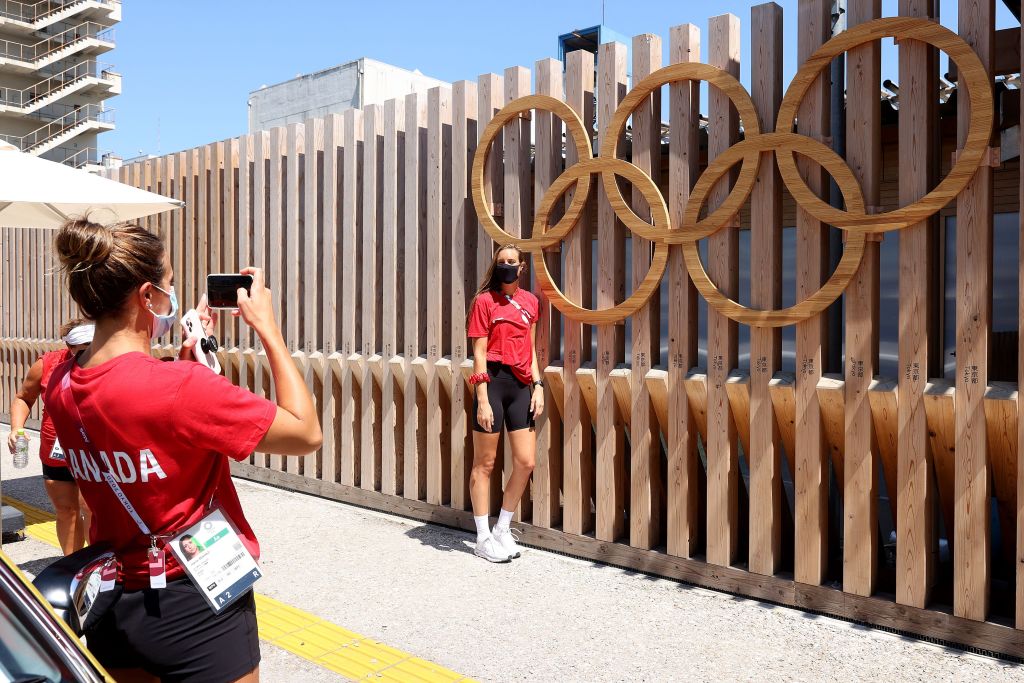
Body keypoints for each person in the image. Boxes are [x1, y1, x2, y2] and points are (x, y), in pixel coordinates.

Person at [45, 218, 322, 683]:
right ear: (148, 296)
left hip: (112, 598)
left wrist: (182, 371)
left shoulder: (62, 384)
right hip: (194, 598)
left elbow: (129, 413)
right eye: (170, 285)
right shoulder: (180, 387)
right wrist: (268, 329)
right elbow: (305, 432)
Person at [466, 244, 544, 563]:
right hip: (493, 384)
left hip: (522, 385)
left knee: (525, 462)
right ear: (495, 266)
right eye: (502, 262)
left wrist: (538, 386)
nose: (508, 266)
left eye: (512, 262)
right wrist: (482, 399)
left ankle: (502, 529)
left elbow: (532, 347)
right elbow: (480, 353)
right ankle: (483, 538)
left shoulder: (531, 302)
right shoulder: (484, 302)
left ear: (522, 267)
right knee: (485, 463)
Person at [7, 318, 95, 555]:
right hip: (57, 449)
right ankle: (73, 567)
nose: (89, 353)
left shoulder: (108, 362)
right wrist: (17, 428)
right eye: (82, 349)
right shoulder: (47, 365)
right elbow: (24, 397)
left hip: (95, 449)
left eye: (93, 345)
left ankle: (99, 569)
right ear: (69, 347)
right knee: (66, 510)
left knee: (91, 508)